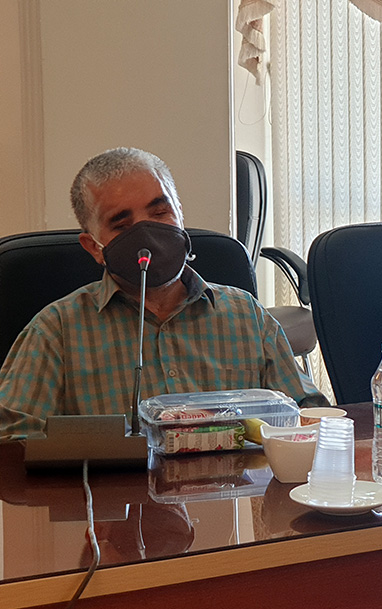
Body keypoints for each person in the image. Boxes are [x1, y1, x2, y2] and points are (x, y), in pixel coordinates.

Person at [0, 147, 327, 439]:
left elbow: (308, 414)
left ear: (180, 213)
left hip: (234, 487)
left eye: (160, 213)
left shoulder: (246, 316)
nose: (148, 232)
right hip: (118, 490)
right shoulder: (56, 331)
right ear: (94, 247)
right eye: (121, 225)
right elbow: (11, 442)